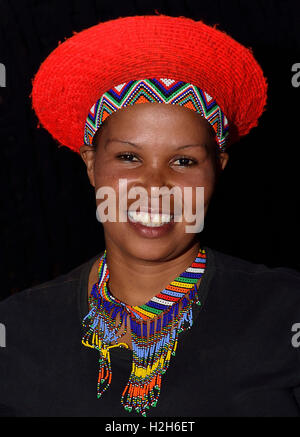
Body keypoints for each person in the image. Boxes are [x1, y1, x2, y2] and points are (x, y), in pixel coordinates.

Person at [1, 14, 300, 418]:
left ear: (218, 168)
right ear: (91, 166)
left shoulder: (285, 311)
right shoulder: (18, 330)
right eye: (128, 157)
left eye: (183, 161)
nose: (154, 186)